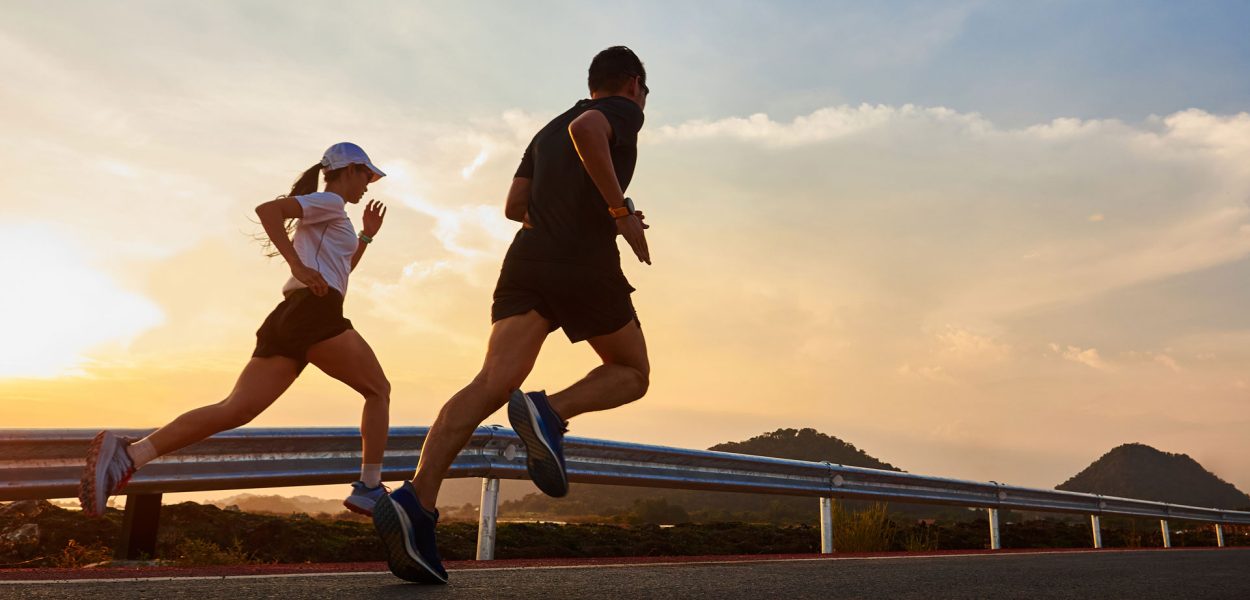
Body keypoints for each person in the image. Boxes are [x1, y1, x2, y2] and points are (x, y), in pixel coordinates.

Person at [372, 46, 652, 584]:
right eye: (644, 92)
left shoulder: (548, 128)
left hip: (527, 259)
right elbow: (590, 130)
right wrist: (619, 214)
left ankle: (417, 499)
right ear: (633, 83)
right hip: (583, 262)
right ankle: (551, 412)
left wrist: (586, 207)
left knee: (492, 381)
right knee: (631, 373)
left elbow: (514, 204)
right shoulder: (617, 111)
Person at [79, 142, 396, 519]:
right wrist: (295, 265)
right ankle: (370, 487)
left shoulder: (331, 214)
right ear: (351, 170)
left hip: (293, 316)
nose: (368, 185)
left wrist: (365, 237)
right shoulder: (328, 203)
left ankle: (132, 454)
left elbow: (339, 271)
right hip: (315, 313)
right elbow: (268, 211)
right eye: (367, 176)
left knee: (235, 410)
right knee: (378, 390)